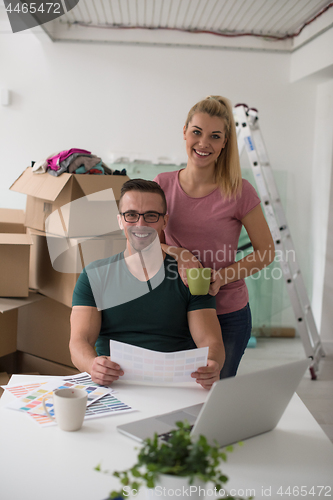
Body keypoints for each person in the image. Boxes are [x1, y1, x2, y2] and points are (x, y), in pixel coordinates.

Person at [154, 96, 274, 378]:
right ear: (184, 131)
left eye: (214, 136)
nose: (203, 143)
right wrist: (179, 253)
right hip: (174, 308)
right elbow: (147, 245)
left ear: (224, 143)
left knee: (215, 392)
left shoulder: (239, 191)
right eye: (196, 132)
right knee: (175, 393)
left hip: (227, 313)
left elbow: (266, 252)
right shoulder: (161, 185)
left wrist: (223, 277)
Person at [69, 179, 225, 390]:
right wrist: (91, 365)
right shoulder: (95, 275)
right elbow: (80, 341)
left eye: (151, 216)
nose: (140, 225)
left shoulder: (190, 276)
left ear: (164, 221)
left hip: (174, 385)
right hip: (114, 384)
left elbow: (210, 340)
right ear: (120, 220)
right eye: (131, 215)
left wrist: (213, 364)